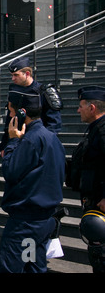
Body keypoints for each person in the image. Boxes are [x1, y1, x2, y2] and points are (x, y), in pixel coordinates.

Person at [0, 84, 65, 273]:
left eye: (11, 111)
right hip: (42, 219)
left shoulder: (30, 139)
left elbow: (10, 171)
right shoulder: (51, 137)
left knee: (10, 268)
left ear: (21, 112)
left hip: (25, 223)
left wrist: (12, 141)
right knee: (32, 265)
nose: (10, 116)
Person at [68, 85, 105, 273]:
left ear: (92, 108)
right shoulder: (94, 129)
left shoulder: (103, 130)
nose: (78, 109)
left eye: (81, 105)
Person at [0, 57, 63, 155]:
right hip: (18, 143)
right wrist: (5, 144)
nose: (13, 78)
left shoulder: (44, 92)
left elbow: (54, 124)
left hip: (38, 143)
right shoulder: (15, 92)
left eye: (16, 75)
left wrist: (43, 143)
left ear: (27, 74)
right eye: (12, 75)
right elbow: (10, 120)